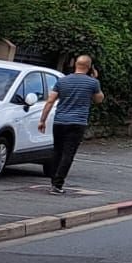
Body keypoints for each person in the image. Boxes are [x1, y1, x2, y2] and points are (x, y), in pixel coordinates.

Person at [36, 55, 103, 195]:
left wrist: (42, 120)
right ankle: (57, 184)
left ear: (75, 65)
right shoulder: (92, 83)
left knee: (57, 151)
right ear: (90, 67)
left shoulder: (62, 81)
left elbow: (50, 100)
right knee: (68, 153)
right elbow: (99, 99)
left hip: (60, 121)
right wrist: (95, 79)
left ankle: (53, 181)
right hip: (77, 122)